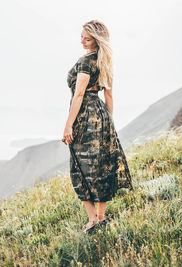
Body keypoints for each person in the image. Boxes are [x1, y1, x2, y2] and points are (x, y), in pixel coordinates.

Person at [62, 20, 134, 234]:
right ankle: (100, 218)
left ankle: (93, 219)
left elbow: (79, 94)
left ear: (97, 40)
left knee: (80, 166)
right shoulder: (106, 61)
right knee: (101, 166)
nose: (82, 41)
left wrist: (68, 125)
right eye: (82, 37)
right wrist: (108, 121)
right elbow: (109, 94)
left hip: (84, 116)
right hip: (102, 115)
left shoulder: (86, 62)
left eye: (87, 38)